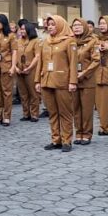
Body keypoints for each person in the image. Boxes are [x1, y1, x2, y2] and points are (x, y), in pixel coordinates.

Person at [37, 15, 77, 152]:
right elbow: (40, 62)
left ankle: (67, 140)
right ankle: (56, 140)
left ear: (60, 25)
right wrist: (38, 80)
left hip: (62, 82)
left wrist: (72, 81)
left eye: (53, 24)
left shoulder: (69, 41)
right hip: (47, 81)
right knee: (52, 112)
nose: (50, 27)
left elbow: (73, 63)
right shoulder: (45, 41)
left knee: (65, 113)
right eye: (48, 24)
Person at [71, 18, 100, 144]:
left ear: (85, 27)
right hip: (73, 80)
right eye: (74, 25)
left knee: (86, 109)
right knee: (76, 108)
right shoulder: (70, 41)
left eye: (79, 25)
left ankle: (87, 134)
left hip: (87, 80)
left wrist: (84, 73)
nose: (76, 27)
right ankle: (78, 132)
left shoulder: (93, 41)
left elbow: (96, 60)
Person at [0, 14, 17, 126]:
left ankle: (6, 116)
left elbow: (14, 51)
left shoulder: (11, 36)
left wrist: (13, 67)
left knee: (7, 92)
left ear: (3, 22)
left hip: (6, 66)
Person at [15, 20, 41, 122]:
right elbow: (14, 55)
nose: (21, 31)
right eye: (20, 29)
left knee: (33, 93)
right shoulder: (18, 41)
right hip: (20, 71)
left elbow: (37, 56)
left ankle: (34, 114)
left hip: (31, 70)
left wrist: (29, 68)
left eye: (23, 29)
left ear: (29, 30)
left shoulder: (36, 41)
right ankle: (26, 114)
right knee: (23, 93)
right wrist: (16, 67)